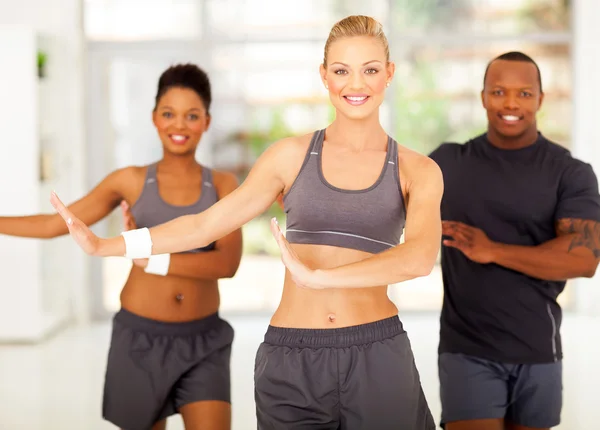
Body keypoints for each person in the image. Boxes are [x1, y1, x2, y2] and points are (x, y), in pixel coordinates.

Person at [51, 15, 442, 430]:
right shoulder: (289, 157)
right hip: (293, 357)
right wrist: (105, 246)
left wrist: (319, 277)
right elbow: (203, 226)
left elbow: (418, 258)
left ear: (389, 74)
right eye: (342, 71)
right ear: (324, 76)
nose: (356, 84)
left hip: (377, 352)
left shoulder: (418, 170)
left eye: (370, 70)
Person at [1, 63, 243, 430]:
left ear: (206, 122)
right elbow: (56, 224)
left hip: (203, 340)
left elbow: (226, 264)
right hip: (140, 339)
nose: (179, 125)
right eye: (169, 114)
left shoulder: (223, 185)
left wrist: (151, 260)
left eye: (191, 116)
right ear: (154, 118)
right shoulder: (129, 180)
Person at [429, 51, 600, 430]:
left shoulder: (569, 172)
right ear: (483, 96)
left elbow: (584, 259)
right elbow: (383, 194)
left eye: (523, 93)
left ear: (540, 98)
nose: (510, 103)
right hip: (466, 348)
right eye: (499, 92)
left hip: (537, 349)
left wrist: (492, 251)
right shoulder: (449, 162)